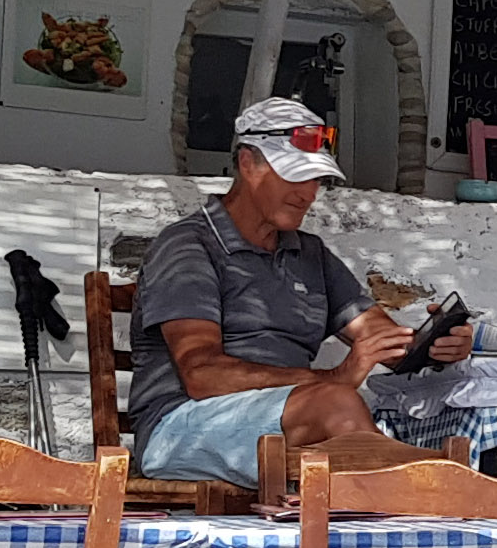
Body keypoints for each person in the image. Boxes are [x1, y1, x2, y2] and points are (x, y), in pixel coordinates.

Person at [128, 97, 470, 487]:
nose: (308, 194)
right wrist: (336, 377)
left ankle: (416, 486)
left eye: (316, 180)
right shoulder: (188, 246)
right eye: (294, 176)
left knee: (350, 425)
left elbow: (381, 341)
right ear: (247, 164)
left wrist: (436, 343)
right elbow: (203, 376)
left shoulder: (309, 254)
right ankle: (432, 485)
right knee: (338, 403)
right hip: (180, 428)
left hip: (287, 422)